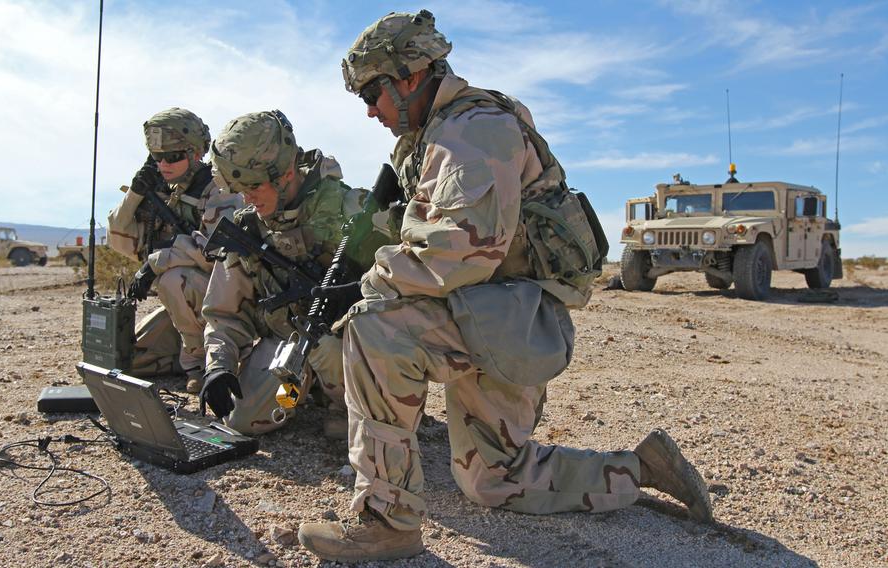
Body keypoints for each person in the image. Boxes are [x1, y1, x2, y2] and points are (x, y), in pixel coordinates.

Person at [298, 10, 713, 563]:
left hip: (514, 316)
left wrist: (368, 283)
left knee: (374, 328)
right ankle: (641, 468)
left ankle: (386, 521)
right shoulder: (432, 136)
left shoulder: (473, 129)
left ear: (410, 76)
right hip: (486, 309)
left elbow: (461, 251)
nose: (371, 110)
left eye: (373, 92)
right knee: (494, 481)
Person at [199, 110, 379, 437]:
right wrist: (219, 365)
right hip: (290, 347)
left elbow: (402, 298)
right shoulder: (248, 230)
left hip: (352, 346)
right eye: (237, 186)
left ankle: (350, 405)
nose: (246, 197)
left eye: (253, 185)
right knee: (242, 419)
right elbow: (223, 314)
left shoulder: (350, 209)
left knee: (327, 348)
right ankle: (298, 394)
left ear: (284, 173)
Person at [108, 108, 242, 394]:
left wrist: (157, 262)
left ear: (194, 154)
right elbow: (120, 240)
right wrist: (135, 193)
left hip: (225, 297)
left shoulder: (219, 189)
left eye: (173, 157)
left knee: (173, 279)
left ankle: (198, 363)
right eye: (157, 158)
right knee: (127, 360)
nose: (164, 164)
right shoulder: (164, 190)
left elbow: (213, 252)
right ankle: (186, 349)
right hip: (188, 303)